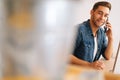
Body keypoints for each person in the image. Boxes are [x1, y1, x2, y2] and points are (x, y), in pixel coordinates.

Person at [70, 1, 113, 70]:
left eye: (105, 16)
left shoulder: (101, 32)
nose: (102, 18)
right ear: (92, 12)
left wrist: (110, 38)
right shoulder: (79, 30)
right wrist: (89, 65)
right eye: (99, 13)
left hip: (89, 73)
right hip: (75, 72)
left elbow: (107, 56)